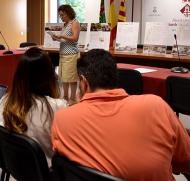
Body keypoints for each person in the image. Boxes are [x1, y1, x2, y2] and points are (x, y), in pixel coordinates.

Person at [51, 49, 190, 181]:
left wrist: (79, 105)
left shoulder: (62, 118)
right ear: (116, 78)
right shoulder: (157, 106)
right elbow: (185, 162)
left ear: (84, 81)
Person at [0, 47, 66, 167]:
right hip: (47, 172)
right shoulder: (57, 106)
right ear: (48, 76)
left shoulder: (5, 101)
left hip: (15, 166)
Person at [55, 4, 80, 105]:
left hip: (72, 55)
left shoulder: (74, 23)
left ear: (69, 13)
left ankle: (72, 98)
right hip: (63, 54)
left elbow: (75, 38)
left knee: (72, 78)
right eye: (60, 15)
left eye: (63, 15)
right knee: (64, 77)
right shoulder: (65, 25)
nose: (61, 17)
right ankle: (65, 96)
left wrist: (62, 36)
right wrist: (57, 38)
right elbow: (65, 38)